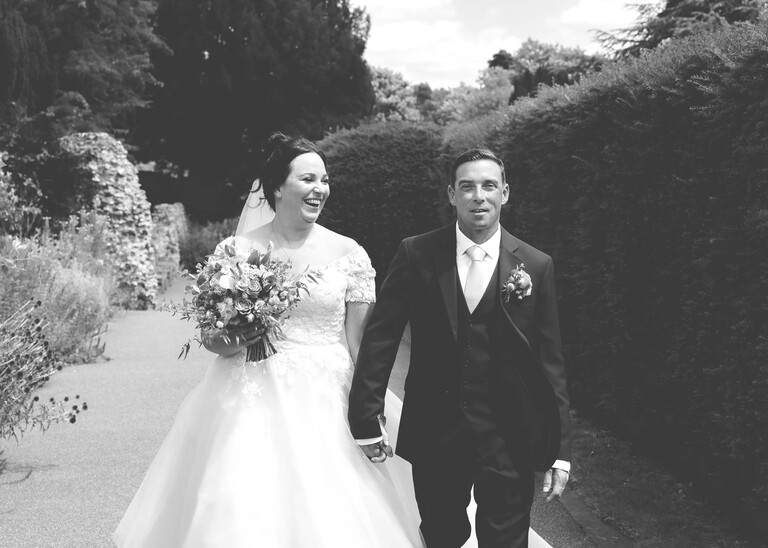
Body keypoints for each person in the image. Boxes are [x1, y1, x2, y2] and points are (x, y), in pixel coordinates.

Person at [113, 133, 424, 547]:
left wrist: (371, 413)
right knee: (240, 501)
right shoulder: (236, 250)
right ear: (278, 186)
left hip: (328, 397)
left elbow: (359, 345)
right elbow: (212, 340)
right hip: (248, 393)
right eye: (309, 179)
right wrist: (241, 332)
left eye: (325, 180)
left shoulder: (350, 253)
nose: (320, 189)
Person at [349, 148, 572, 548]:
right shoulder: (416, 253)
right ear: (452, 195)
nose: (478, 195)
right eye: (466, 186)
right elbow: (382, 336)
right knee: (441, 536)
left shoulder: (536, 266)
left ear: (505, 192)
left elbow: (549, 360)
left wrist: (559, 449)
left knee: (506, 541)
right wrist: (366, 415)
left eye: (489, 185)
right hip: (436, 431)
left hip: (510, 436)